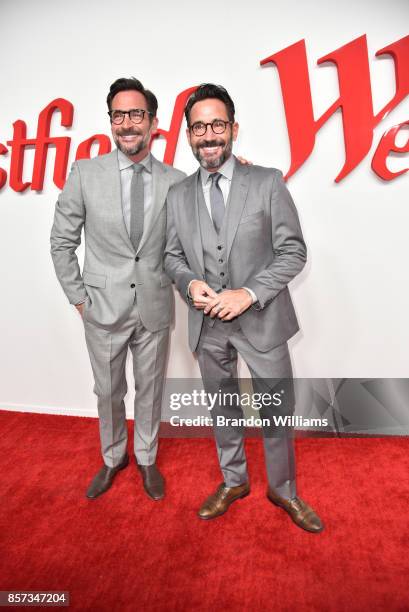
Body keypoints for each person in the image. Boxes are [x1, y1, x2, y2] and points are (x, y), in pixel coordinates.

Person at [164, 83, 323, 532]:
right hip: (207, 327)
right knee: (221, 407)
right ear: (188, 135)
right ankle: (234, 480)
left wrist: (248, 293)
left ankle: (284, 489)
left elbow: (293, 252)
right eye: (199, 127)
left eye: (217, 125)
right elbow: (171, 256)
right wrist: (190, 281)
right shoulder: (177, 195)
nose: (208, 135)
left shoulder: (267, 181)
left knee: (275, 406)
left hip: (262, 321)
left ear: (233, 128)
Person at [50, 77, 185, 501]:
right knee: (107, 390)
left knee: (150, 388)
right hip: (101, 307)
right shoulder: (86, 173)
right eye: (119, 115)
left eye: (136, 114)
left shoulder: (177, 180)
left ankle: (146, 457)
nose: (128, 123)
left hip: (155, 305)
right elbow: (61, 241)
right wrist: (79, 298)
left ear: (153, 122)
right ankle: (113, 457)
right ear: (111, 121)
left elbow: (188, 241)